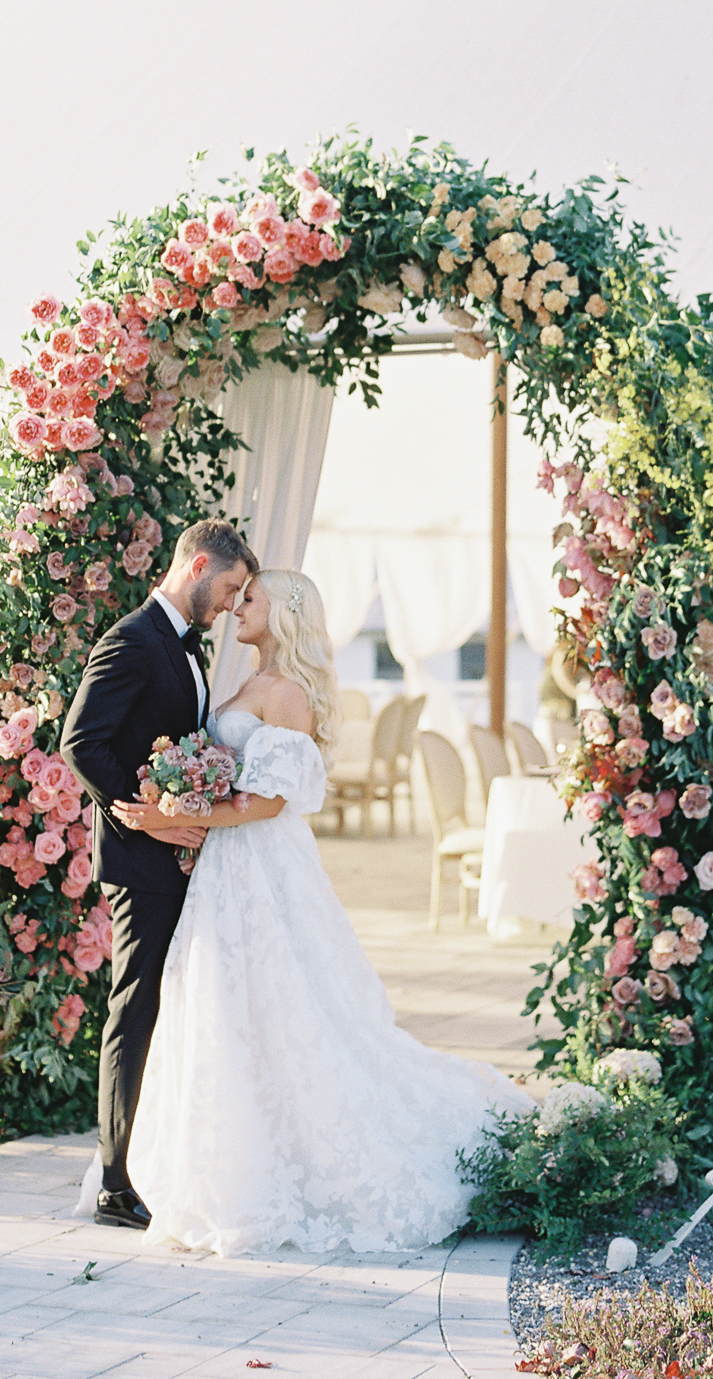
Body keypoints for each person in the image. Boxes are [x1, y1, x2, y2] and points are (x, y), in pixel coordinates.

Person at [111, 567, 534, 1255]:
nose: (236, 606)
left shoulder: (287, 693)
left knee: (285, 1005)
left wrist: (178, 812)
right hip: (226, 868)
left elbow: (271, 801)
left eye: (251, 599)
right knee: (232, 1007)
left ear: (282, 616)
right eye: (237, 595)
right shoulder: (247, 684)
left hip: (262, 865)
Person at [60, 517, 257, 1231]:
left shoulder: (185, 646)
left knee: (169, 1006)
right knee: (134, 1008)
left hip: (175, 854)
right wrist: (145, 814)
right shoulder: (133, 639)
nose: (233, 604)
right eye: (231, 588)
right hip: (141, 859)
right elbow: (81, 742)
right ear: (198, 565)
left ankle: (156, 1156)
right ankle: (114, 1179)